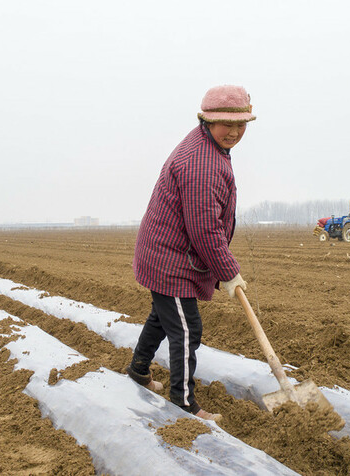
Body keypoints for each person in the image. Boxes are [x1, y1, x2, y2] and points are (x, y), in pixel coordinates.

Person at [126, 85, 254, 422]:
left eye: (242, 125)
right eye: (228, 124)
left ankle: (139, 369)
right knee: (186, 330)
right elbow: (204, 230)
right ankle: (183, 403)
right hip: (172, 258)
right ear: (208, 120)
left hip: (168, 252)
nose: (235, 132)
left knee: (164, 315)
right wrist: (228, 272)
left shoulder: (208, 146)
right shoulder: (202, 164)